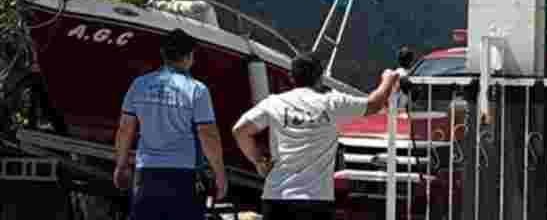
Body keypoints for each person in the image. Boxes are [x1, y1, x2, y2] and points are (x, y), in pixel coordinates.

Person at [232, 52, 400, 220]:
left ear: (291, 77)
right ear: (320, 77)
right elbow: (374, 104)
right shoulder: (333, 102)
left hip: (276, 197)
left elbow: (240, 131)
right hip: (315, 201)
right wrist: (388, 79)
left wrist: (259, 161)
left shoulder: (274, 102)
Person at [113, 28, 227, 220]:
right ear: (189, 57)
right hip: (184, 176)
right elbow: (208, 135)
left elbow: (125, 129)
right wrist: (220, 173)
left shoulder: (139, 85)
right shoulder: (196, 90)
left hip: (146, 175)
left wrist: (121, 165)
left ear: (163, 54)